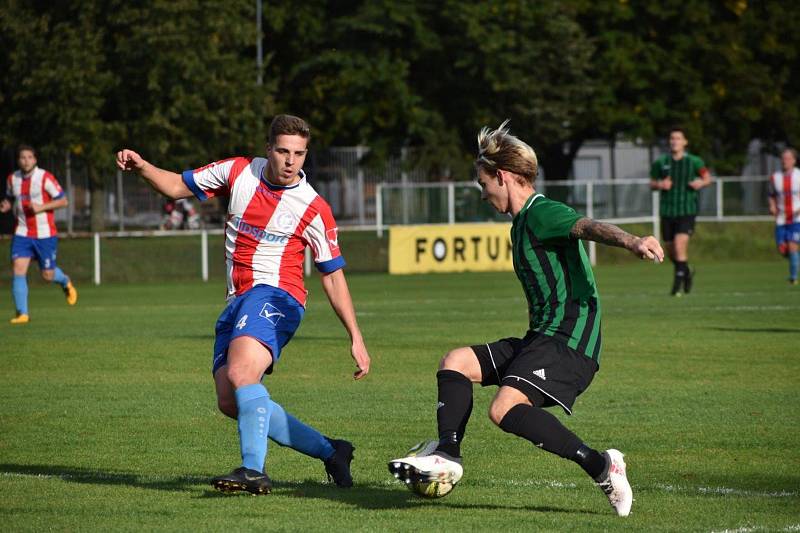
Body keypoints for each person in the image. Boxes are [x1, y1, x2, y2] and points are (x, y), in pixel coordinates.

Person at [388, 121, 664, 517]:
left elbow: (586, 227)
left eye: (484, 185)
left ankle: (602, 465)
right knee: (455, 362)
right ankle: (448, 453)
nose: (484, 195)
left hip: (570, 342)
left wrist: (632, 241)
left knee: (502, 409)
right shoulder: (519, 227)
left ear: (502, 177)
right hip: (541, 338)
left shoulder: (541, 212)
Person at [115, 114, 371, 495]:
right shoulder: (237, 172)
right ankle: (331, 450)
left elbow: (332, 275)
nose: (290, 161)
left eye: (299, 154)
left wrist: (355, 336)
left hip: (278, 296)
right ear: (268, 148)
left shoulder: (313, 207)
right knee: (231, 400)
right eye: (283, 151)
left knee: (241, 375)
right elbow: (175, 187)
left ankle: (253, 471)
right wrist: (142, 166)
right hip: (237, 300)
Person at [1, 145, 78, 324]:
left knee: (47, 275)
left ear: (35, 160)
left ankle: (65, 281)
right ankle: (22, 313)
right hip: (22, 232)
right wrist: (6, 204)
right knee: (18, 269)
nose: (25, 161)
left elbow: (64, 201)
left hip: (44, 233)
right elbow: (11, 198)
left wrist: (41, 207)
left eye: (29, 157)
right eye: (22, 157)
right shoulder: (12, 179)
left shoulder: (44, 177)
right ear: (18, 160)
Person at [650, 127, 712, 296]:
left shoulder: (694, 161)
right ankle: (686, 271)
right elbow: (652, 183)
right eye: (672, 138)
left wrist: (701, 183)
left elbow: (707, 178)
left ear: (685, 142)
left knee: (679, 245)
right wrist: (660, 185)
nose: (674, 141)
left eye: (678, 138)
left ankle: (676, 287)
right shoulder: (661, 162)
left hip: (687, 210)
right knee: (670, 251)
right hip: (667, 211)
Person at [768, 148, 800, 284]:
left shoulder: (799, 176)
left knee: (792, 246)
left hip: (796, 218)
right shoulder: (775, 177)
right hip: (781, 219)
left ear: (794, 160)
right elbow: (771, 195)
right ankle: (795, 258)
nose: (784, 161)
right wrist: (772, 206)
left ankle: (793, 278)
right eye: (783, 158)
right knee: (782, 249)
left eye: (787, 158)